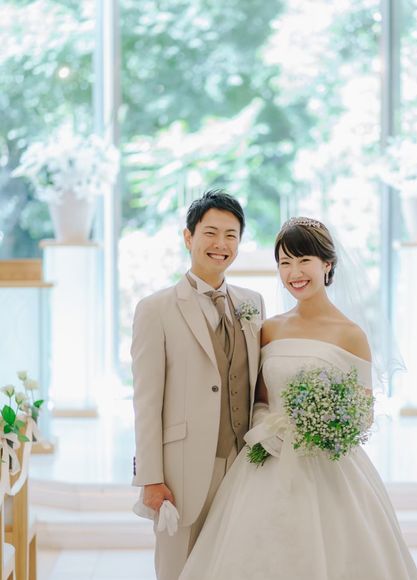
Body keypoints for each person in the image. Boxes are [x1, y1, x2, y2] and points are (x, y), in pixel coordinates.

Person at [178, 217, 417, 580]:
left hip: (329, 469)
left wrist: (324, 428)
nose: (294, 272)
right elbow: (260, 399)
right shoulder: (270, 328)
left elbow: (363, 413)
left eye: (304, 260)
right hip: (268, 461)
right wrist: (266, 426)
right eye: (285, 262)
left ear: (327, 264)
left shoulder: (351, 334)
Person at [131, 189, 266, 580]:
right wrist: (151, 478)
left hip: (243, 464)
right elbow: (146, 402)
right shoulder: (155, 309)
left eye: (231, 235)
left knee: (235, 566)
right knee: (178, 568)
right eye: (210, 233)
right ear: (188, 238)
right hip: (182, 470)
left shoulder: (253, 303)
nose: (221, 244)